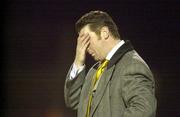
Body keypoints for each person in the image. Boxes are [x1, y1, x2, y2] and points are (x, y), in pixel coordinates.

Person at [64, 10, 157, 117]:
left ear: (104, 33)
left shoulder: (132, 65)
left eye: (87, 40)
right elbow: (73, 101)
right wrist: (78, 60)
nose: (84, 47)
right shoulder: (94, 70)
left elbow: (143, 110)